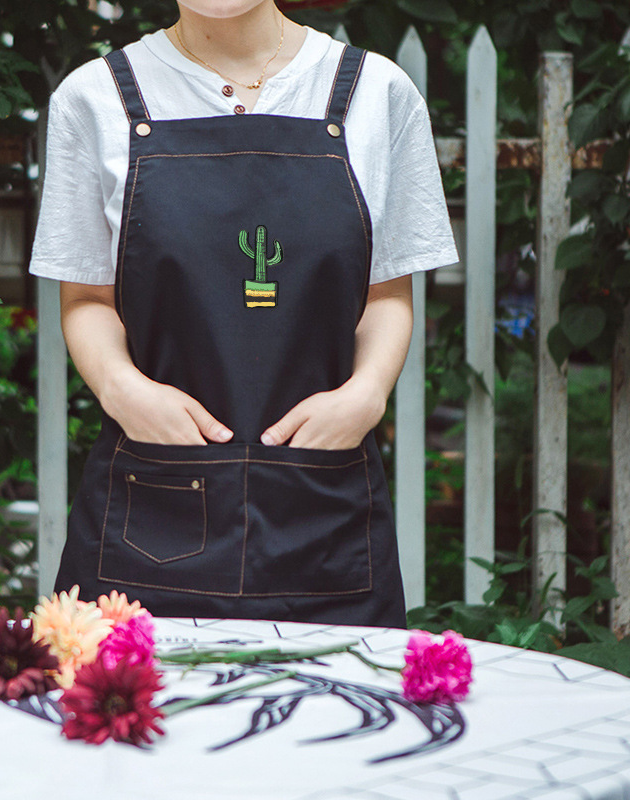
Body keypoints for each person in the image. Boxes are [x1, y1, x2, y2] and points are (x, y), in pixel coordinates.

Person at [28, 0, 459, 627]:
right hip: (154, 500)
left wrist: (366, 394)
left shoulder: (376, 93)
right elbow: (88, 298)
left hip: (323, 502)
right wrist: (123, 390)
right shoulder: (95, 98)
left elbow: (386, 293)